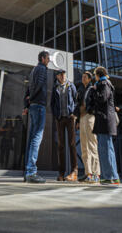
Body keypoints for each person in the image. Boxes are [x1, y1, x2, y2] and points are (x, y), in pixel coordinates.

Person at [22, 50, 51, 183]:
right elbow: (38, 86)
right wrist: (32, 100)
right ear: (42, 58)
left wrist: (27, 104)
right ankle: (31, 172)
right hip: (38, 105)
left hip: (33, 105)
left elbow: (28, 89)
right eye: (48, 58)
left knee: (32, 138)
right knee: (36, 138)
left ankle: (27, 172)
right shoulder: (42, 69)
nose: (49, 60)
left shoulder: (33, 70)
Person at [91, 65, 120, 186]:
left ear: (98, 75)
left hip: (104, 120)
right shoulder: (106, 83)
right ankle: (112, 176)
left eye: (95, 75)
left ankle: (108, 177)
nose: (95, 78)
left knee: (105, 149)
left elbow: (102, 98)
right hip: (106, 120)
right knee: (108, 149)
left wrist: (93, 90)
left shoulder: (104, 83)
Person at [50, 68, 79, 181]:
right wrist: (56, 115)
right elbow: (52, 103)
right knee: (61, 145)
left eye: (64, 74)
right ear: (57, 76)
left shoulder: (71, 86)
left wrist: (74, 114)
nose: (63, 76)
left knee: (72, 144)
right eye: (60, 75)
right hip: (60, 119)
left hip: (70, 118)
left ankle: (74, 171)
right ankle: (61, 173)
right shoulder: (55, 87)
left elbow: (76, 100)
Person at [77, 71, 99, 183]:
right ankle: (88, 173)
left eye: (85, 76)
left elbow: (95, 103)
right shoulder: (80, 89)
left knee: (92, 144)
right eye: (82, 76)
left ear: (90, 79)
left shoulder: (93, 89)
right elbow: (78, 104)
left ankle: (96, 174)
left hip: (90, 117)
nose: (83, 78)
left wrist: (89, 110)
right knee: (84, 147)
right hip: (81, 118)